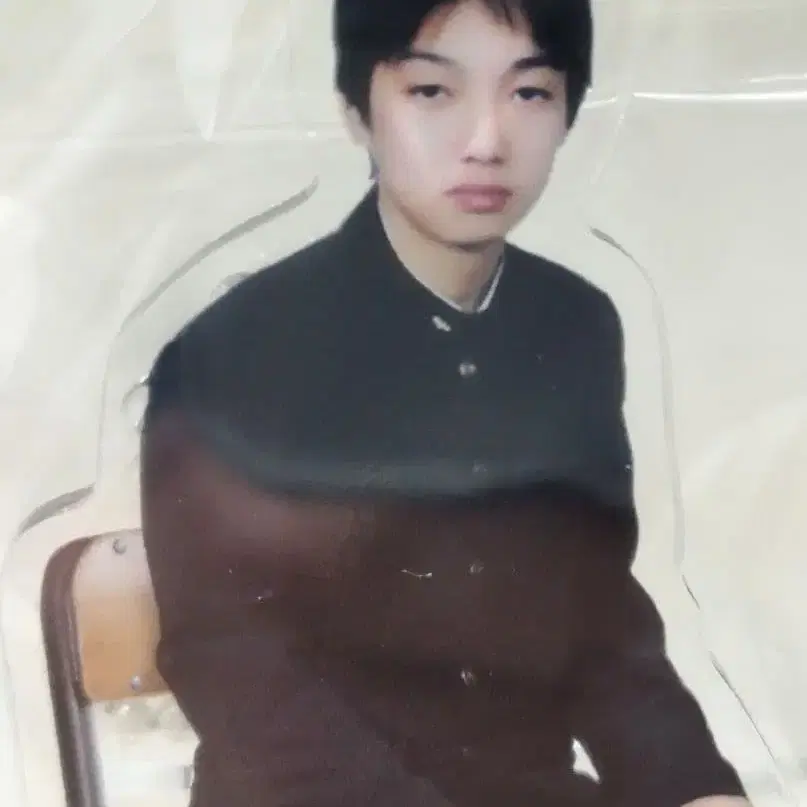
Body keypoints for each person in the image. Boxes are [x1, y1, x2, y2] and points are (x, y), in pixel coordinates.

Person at [140, 1, 751, 805]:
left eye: (528, 92)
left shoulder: (573, 323)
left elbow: (598, 616)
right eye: (432, 92)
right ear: (357, 110)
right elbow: (236, 667)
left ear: (568, 111)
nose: (486, 140)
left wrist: (694, 787)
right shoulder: (230, 351)